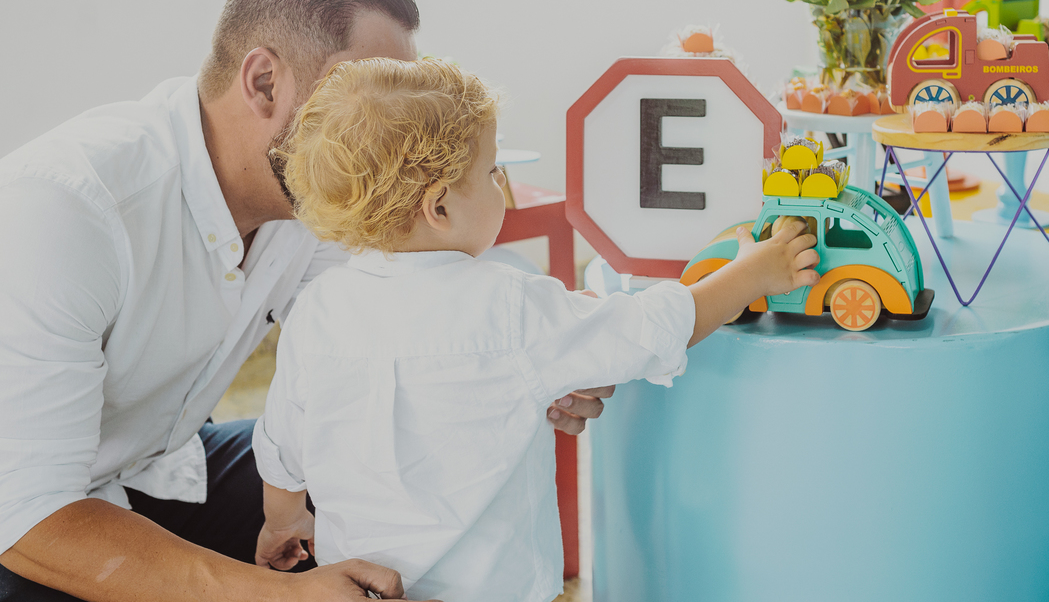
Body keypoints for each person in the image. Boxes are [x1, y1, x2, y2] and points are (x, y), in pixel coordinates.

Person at [0, 0, 610, 602]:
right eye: (364, 94)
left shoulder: (320, 199)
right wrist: (282, 597)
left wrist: (526, 361)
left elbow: (407, 334)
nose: (393, 131)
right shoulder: (66, 208)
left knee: (393, 469)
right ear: (264, 82)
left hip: (157, 468)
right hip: (36, 524)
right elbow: (26, 512)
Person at [251, 57, 821, 602]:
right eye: (491, 171)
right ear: (439, 207)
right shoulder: (508, 304)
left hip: (359, 589)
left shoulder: (315, 312)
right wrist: (753, 273)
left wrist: (284, 523)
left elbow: (281, 450)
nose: (502, 182)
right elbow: (651, 328)